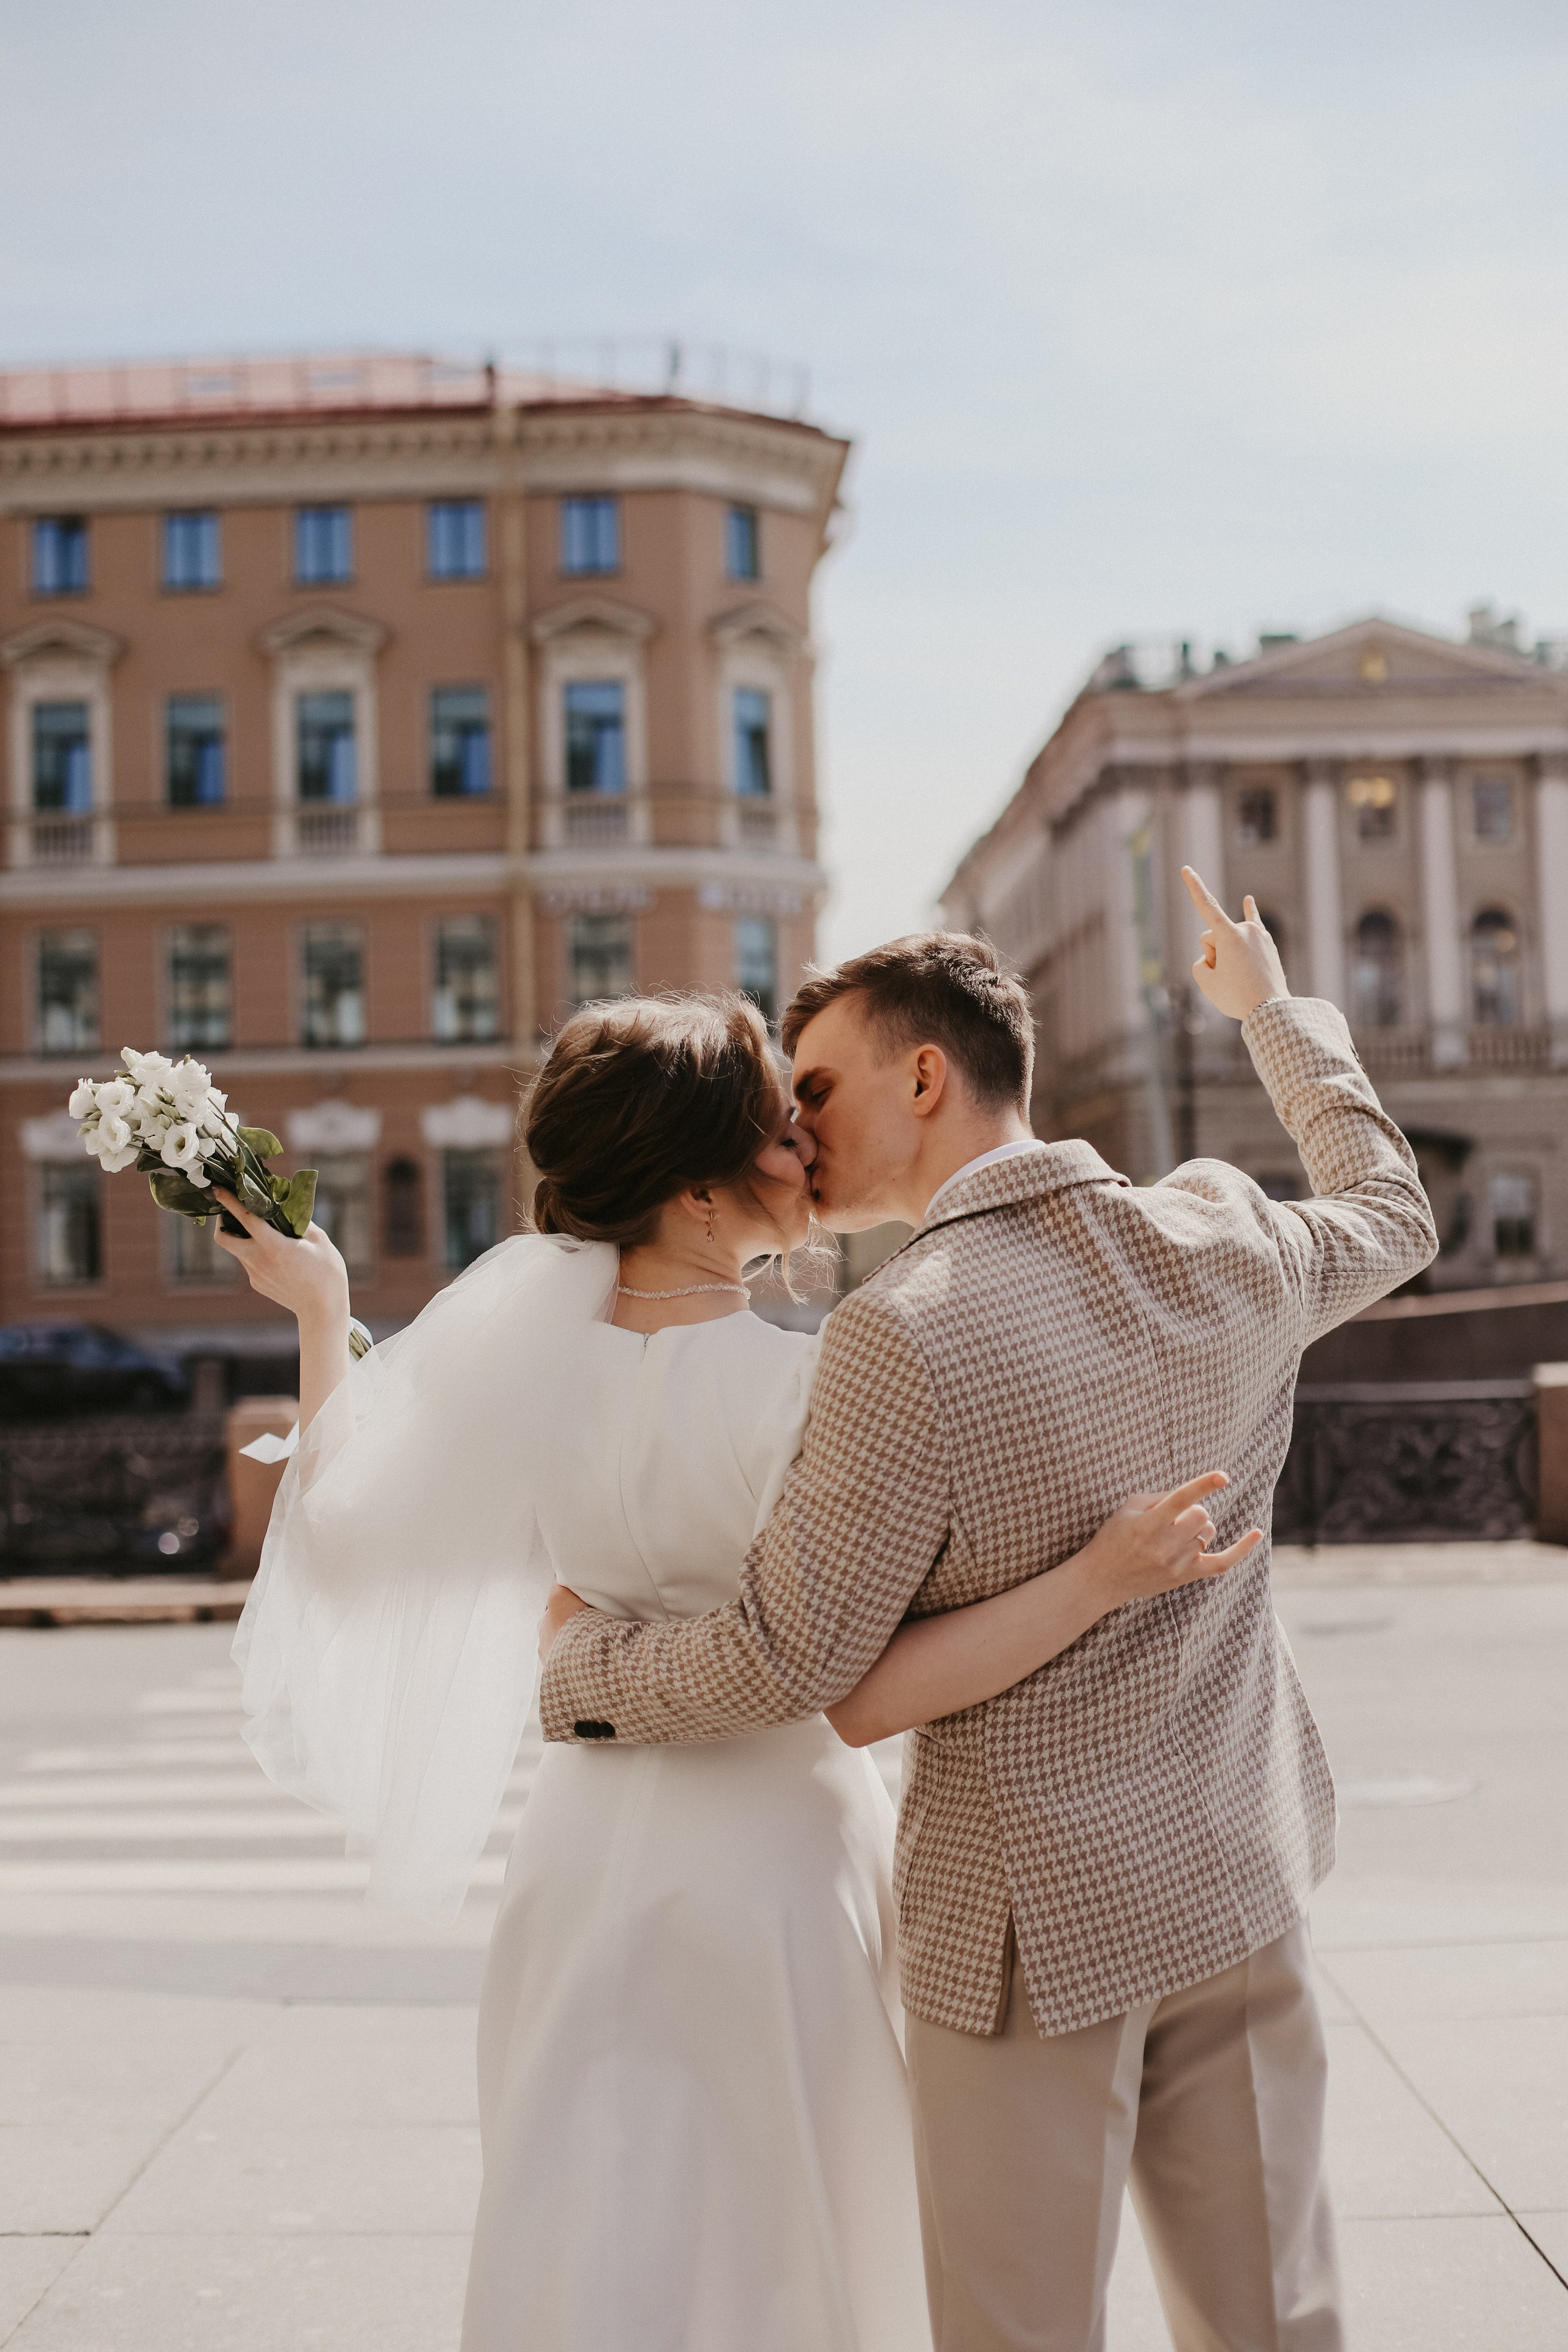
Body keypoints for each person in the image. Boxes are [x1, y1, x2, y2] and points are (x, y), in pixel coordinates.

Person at [219, 984, 1253, 2352]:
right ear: (699, 1199)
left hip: (579, 1857)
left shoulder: (519, 1381)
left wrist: (322, 1311)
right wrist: (1099, 1575)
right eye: (776, 1132)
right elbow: (868, 1676)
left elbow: (340, 1545)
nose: (803, 1154)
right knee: (799, 2228)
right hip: (775, 1860)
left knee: (584, 2218)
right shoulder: (820, 1381)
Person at [538, 869, 1440, 2352]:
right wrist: (1270, 1014)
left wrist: (587, 1673)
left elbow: (794, 1661)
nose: (794, 1127)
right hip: (1237, 1866)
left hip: (1031, 1944)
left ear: (924, 1072)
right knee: (1278, 2321)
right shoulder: (1217, 1230)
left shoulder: (900, 1332)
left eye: (815, 1086)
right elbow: (1392, 1215)